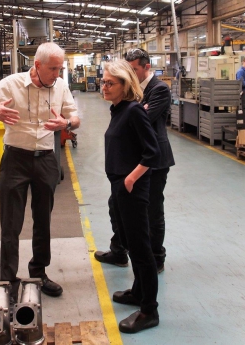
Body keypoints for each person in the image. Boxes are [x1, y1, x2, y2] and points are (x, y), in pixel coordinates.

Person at [0, 42, 80, 302]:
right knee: (10, 223)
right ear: (37, 65)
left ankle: (39, 272)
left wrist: (65, 122)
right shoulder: (11, 84)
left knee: (43, 220)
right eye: (53, 69)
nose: (57, 73)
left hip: (46, 160)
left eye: (60, 68)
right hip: (15, 159)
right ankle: (8, 280)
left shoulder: (61, 86)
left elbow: (75, 118)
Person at [95, 48, 175, 273]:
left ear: (146, 67)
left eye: (134, 69)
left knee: (152, 211)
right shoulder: (129, 99)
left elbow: (143, 121)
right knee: (117, 207)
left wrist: (138, 111)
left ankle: (156, 256)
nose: (129, 74)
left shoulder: (159, 89)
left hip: (154, 161)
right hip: (130, 161)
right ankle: (120, 251)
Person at [101, 59, 160, 333]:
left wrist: (131, 178)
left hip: (131, 188)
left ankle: (149, 310)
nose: (104, 86)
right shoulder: (118, 110)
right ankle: (138, 291)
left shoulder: (134, 111)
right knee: (126, 239)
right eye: (103, 82)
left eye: (109, 83)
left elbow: (152, 152)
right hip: (119, 186)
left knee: (140, 247)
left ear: (125, 85)